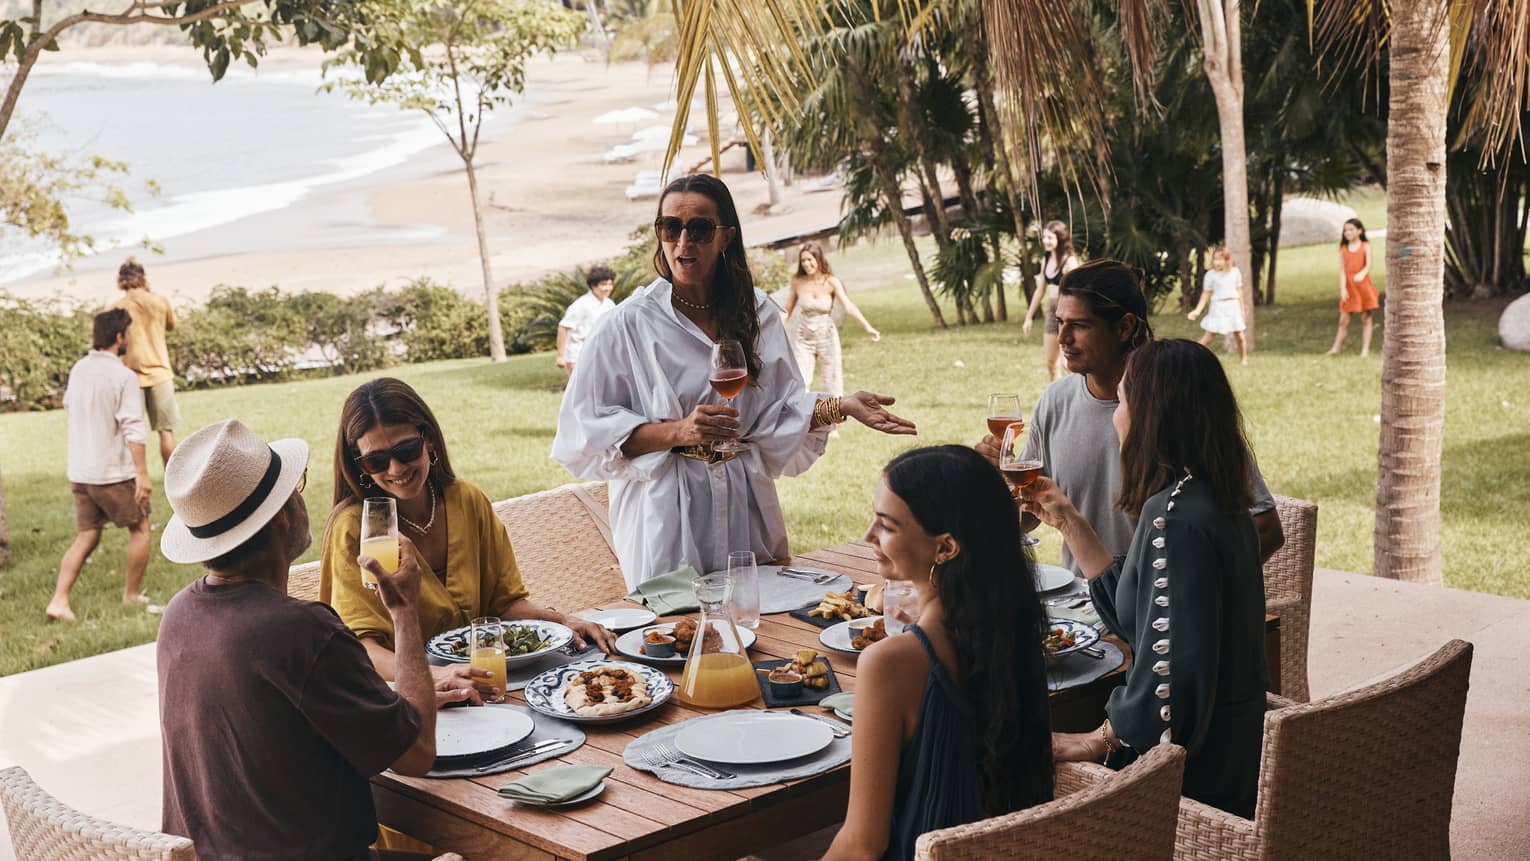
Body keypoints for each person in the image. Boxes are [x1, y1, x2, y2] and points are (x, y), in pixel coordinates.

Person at [551, 174, 916, 588]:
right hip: (668, 518)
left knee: (761, 624)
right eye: (670, 227)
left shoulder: (756, 312)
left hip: (745, 504)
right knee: (680, 638)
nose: (683, 242)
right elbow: (584, 432)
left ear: (726, 236)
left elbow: (779, 411)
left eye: (700, 229)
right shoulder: (627, 325)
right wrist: (679, 431)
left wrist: (841, 405)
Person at [156, 419, 462, 860]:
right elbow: (416, 755)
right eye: (296, 488)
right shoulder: (299, 630)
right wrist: (404, 611)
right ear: (283, 515)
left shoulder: (179, 613)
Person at [1022, 340, 1268, 818]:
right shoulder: (1210, 497)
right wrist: (1068, 520)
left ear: (1151, 415)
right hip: (1233, 745)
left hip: (1191, 779)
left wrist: (1099, 739)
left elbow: (1175, 680)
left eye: (1124, 400)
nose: (1115, 413)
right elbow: (1148, 620)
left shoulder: (1173, 520)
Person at [977, 260, 1283, 573]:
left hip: (1161, 615)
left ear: (1124, 327)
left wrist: (1173, 594)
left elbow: (1266, 528)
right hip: (1086, 608)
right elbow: (1029, 514)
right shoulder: (1055, 402)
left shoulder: (1177, 404)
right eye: (1060, 322)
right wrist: (995, 484)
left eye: (1080, 325)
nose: (1063, 337)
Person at [823, 446, 1053, 861]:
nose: (868, 536)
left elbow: (862, 844)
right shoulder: (1015, 630)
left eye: (887, 526)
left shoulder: (890, 663)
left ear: (945, 548)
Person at [321, 378, 615, 697]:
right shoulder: (356, 528)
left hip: (483, 684)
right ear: (359, 464)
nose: (395, 468)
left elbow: (503, 604)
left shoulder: (466, 500)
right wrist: (433, 675)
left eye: (406, 450)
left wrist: (561, 622)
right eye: (375, 460)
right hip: (404, 698)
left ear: (429, 440)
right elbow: (361, 648)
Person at [47, 309, 155, 622]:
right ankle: (132, 595)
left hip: (81, 472)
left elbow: (71, 408)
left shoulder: (79, 369)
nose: (131, 338)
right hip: (111, 474)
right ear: (119, 336)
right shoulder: (123, 376)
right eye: (129, 333)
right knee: (141, 528)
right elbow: (133, 427)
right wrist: (142, 475)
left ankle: (59, 600)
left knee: (87, 536)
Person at [781, 242, 881, 395]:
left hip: (826, 334)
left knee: (832, 381)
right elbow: (787, 310)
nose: (806, 264)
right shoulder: (797, 282)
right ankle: (802, 416)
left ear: (819, 259)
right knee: (800, 381)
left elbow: (848, 306)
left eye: (810, 259)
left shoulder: (831, 282)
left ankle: (833, 417)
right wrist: (774, 330)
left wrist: (868, 327)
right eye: (803, 260)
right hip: (804, 337)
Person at [112, 257, 180, 465]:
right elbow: (171, 326)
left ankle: (134, 479)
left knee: (131, 434)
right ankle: (173, 478)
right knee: (166, 432)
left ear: (121, 280)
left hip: (130, 376)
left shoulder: (116, 309)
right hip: (160, 373)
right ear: (142, 278)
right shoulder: (160, 301)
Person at [1021, 221, 1081, 381]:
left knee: (1067, 363)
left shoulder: (1070, 262)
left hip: (1066, 313)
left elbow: (1078, 293)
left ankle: (1079, 396)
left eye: (1050, 237)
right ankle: (1057, 400)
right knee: (1051, 362)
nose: (1045, 241)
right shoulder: (1046, 259)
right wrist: (1029, 317)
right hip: (1051, 309)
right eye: (1044, 237)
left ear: (1060, 238)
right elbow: (1040, 290)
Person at [1186, 246, 1249, 365]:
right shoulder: (1210, 275)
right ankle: (1192, 354)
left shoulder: (1235, 272)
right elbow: (1205, 294)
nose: (1217, 262)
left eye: (1220, 259)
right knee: (1209, 337)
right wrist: (1197, 311)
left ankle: (1243, 360)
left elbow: (1239, 291)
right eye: (1215, 259)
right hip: (1218, 307)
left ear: (1227, 260)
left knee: (1240, 336)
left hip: (1233, 306)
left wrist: (1242, 311)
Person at [1328, 218, 1380, 357]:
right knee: (1343, 320)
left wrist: (1362, 274)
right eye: (1345, 230)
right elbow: (1343, 270)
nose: (1347, 232)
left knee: (1366, 319)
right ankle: (1336, 348)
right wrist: (1343, 289)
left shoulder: (1365, 245)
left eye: (1351, 229)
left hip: (1363, 287)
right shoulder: (1344, 249)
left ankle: (1365, 350)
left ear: (1359, 231)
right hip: (1349, 288)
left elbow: (1368, 265)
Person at [557, 265, 618, 375]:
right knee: (582, 391)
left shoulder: (609, 304)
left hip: (600, 355)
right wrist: (561, 356)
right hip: (578, 356)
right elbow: (563, 328)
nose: (608, 288)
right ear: (593, 286)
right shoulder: (581, 305)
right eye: (604, 285)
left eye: (610, 284)